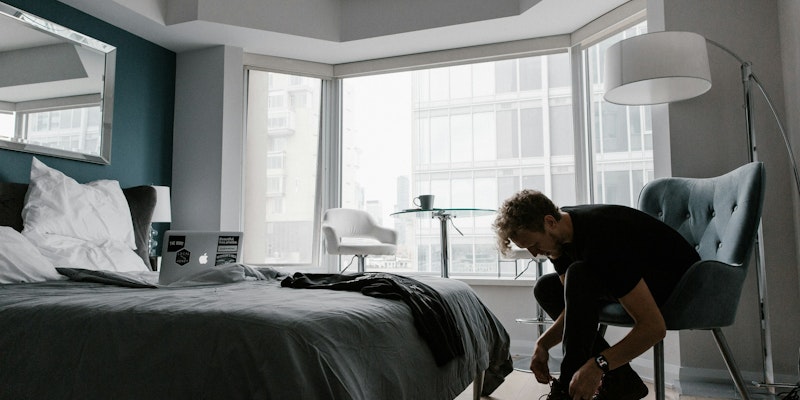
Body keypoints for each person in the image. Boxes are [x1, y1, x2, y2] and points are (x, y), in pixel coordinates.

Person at [492, 190, 700, 400]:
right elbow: (572, 309)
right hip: (629, 274)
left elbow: (654, 328)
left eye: (534, 244)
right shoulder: (559, 241)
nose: (535, 254)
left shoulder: (602, 240)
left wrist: (599, 364)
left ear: (549, 222)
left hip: (681, 284)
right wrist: (543, 344)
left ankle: (567, 389)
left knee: (579, 274)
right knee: (546, 287)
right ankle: (622, 380)